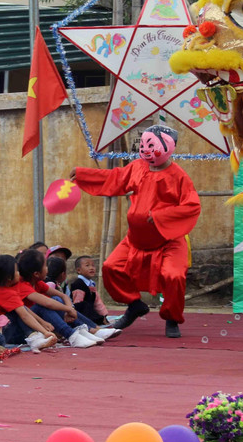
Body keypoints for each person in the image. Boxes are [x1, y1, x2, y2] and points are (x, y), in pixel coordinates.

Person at [70, 124, 201, 338]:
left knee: (174, 275)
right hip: (136, 241)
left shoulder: (179, 176)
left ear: (166, 147)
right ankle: (135, 305)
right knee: (111, 267)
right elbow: (114, 178)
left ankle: (171, 318)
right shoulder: (137, 167)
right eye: (144, 145)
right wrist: (83, 174)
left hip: (169, 241)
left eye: (152, 145)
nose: (146, 149)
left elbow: (192, 206)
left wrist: (161, 216)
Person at [15, 249, 115, 347]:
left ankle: (92, 329)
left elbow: (62, 296)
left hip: (39, 322)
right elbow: (47, 303)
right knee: (43, 306)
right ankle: (73, 335)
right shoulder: (23, 286)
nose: (47, 269)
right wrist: (68, 309)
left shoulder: (37, 283)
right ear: (36, 273)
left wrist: (69, 309)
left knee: (57, 299)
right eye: (45, 266)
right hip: (24, 327)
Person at [0, 255, 56, 351]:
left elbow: (24, 309)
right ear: (8, 277)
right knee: (16, 312)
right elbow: (24, 316)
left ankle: (36, 335)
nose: (19, 273)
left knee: (19, 309)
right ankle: (34, 338)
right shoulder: (6, 293)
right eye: (16, 271)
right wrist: (45, 332)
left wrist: (42, 324)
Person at [69, 256, 110, 326]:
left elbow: (97, 302)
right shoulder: (78, 284)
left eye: (93, 265)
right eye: (87, 265)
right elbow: (78, 304)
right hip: (81, 313)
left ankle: (100, 319)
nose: (91, 268)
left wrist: (104, 315)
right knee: (84, 305)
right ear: (79, 270)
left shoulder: (91, 284)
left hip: (89, 311)